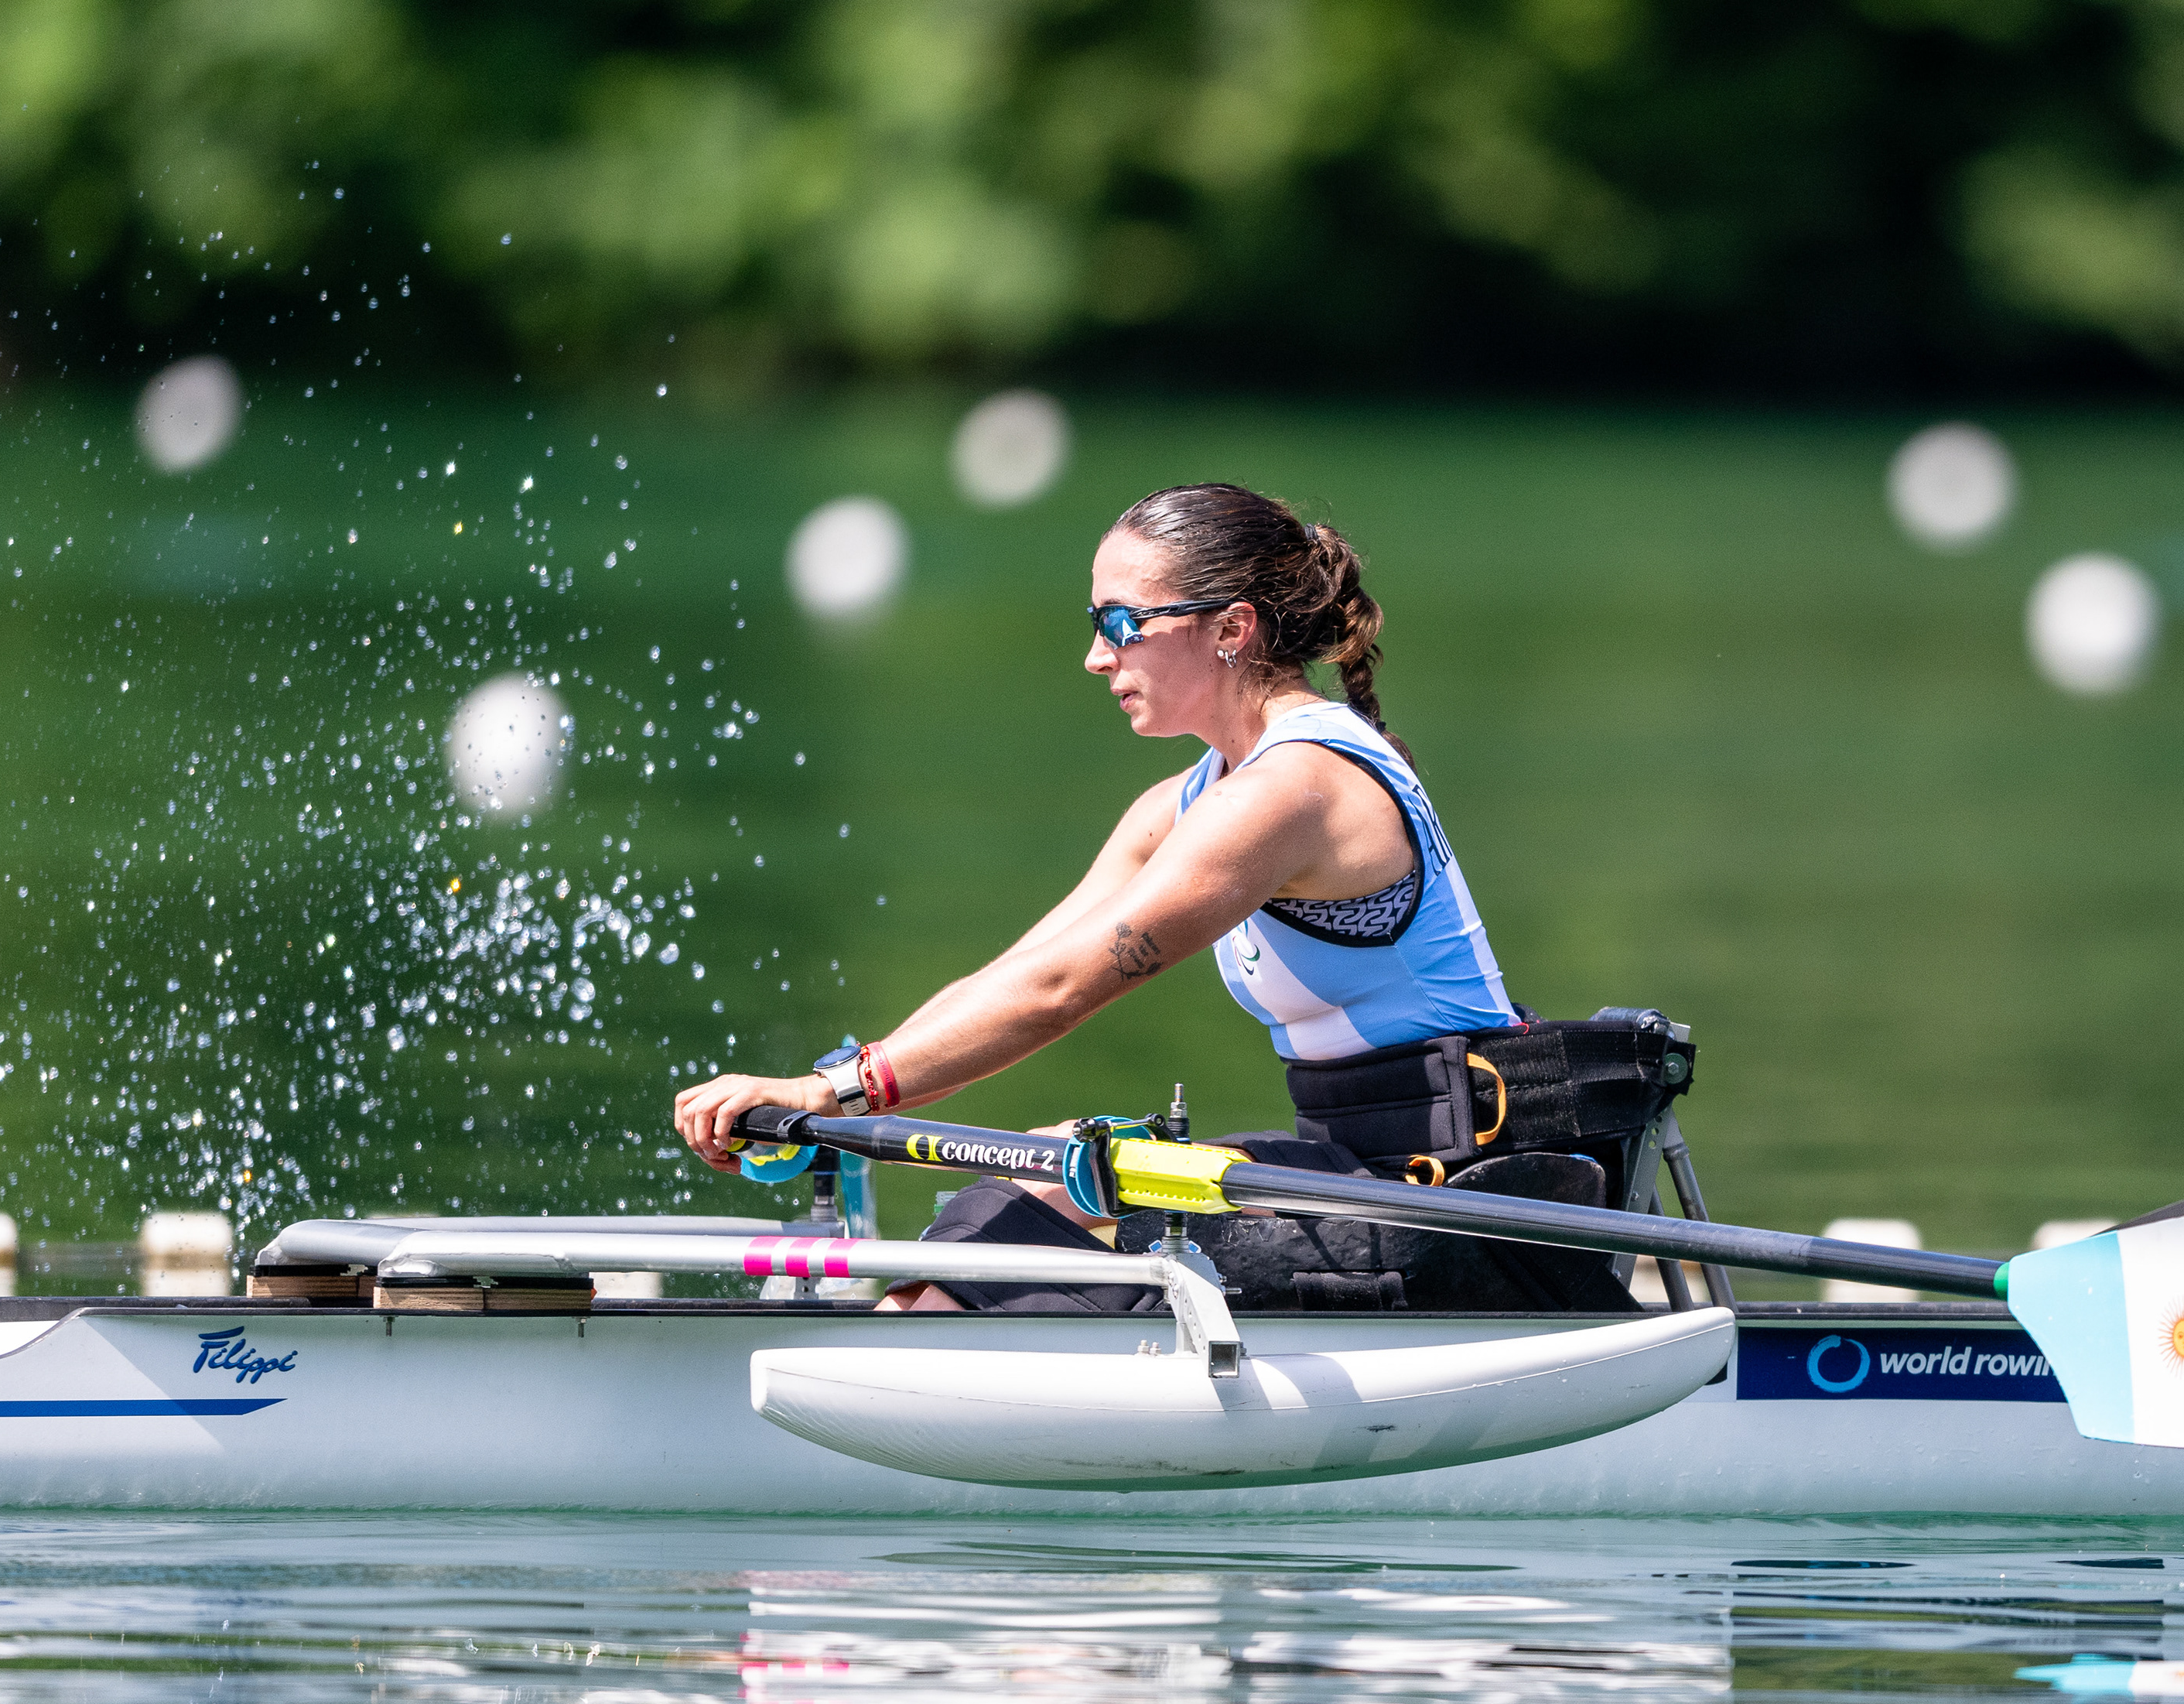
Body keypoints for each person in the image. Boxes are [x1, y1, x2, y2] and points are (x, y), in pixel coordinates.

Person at [674, 482, 1680, 1312]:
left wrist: (834, 1099)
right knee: (1046, 1172)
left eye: (1123, 624)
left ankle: (910, 1372)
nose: (1097, 656)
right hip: (1353, 1172)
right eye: (1094, 624)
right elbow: (1016, 975)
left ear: (1232, 629)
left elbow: (1062, 994)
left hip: (1470, 1204)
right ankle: (923, 1357)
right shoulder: (1182, 807)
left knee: (1040, 1217)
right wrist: (837, 1083)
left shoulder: (1296, 790)